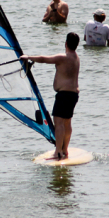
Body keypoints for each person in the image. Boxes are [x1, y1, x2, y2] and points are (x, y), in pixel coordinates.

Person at [21, 32, 80, 160]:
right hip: (74, 94)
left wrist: (28, 57)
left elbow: (43, 59)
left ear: (66, 44)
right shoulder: (76, 58)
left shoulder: (63, 57)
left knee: (58, 122)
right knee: (67, 122)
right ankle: (65, 149)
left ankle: (58, 151)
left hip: (64, 94)